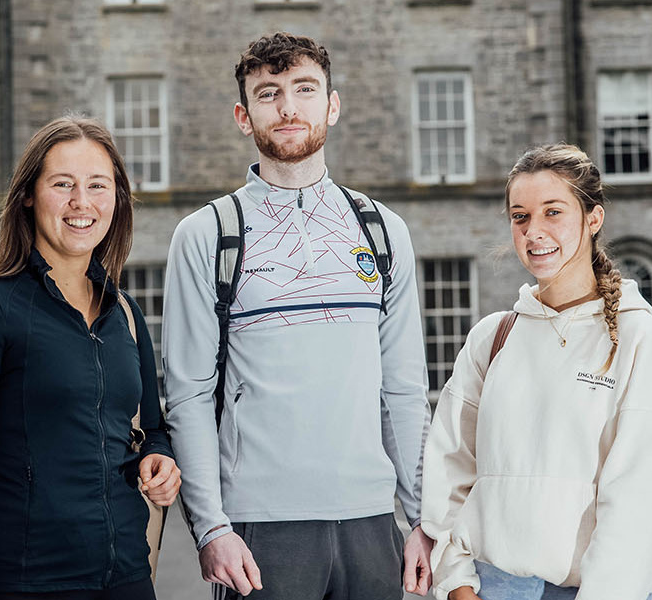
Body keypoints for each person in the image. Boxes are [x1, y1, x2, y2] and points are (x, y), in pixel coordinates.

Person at [161, 32, 435, 600]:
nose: (288, 107)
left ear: (332, 105)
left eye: (304, 89)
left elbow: (404, 390)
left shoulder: (383, 232)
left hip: (370, 523)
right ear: (244, 115)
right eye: (269, 93)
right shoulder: (206, 235)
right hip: (261, 530)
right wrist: (211, 526)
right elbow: (186, 393)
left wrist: (423, 519)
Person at [420, 144, 652, 600]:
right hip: (491, 587)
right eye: (520, 216)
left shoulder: (638, 340)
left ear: (593, 219)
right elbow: (451, 466)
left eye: (553, 212)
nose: (533, 231)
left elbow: (639, 500)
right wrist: (457, 585)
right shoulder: (493, 338)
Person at [0, 116, 182, 600]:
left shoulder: (124, 312)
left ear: (117, 198)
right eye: (62, 184)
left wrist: (159, 459)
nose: (81, 203)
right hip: (26, 582)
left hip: (128, 577)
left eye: (97, 185)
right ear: (28, 195)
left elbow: (152, 429)